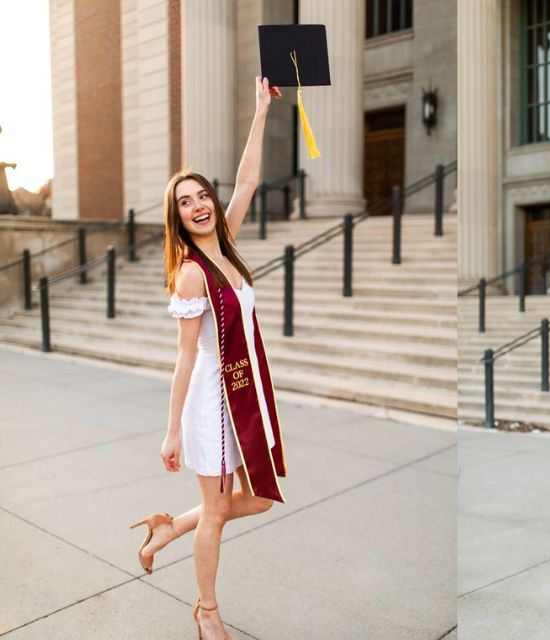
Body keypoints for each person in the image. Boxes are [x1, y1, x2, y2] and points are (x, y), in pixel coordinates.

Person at [129, 76, 287, 640]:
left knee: (262, 498)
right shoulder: (193, 270)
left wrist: (260, 110)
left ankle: (167, 528)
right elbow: (184, 356)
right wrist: (171, 431)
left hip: (245, 393)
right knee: (218, 513)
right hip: (213, 403)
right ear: (176, 217)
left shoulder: (227, 244)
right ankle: (207, 612)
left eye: (201, 196)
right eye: (185, 202)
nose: (197, 206)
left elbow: (247, 178)